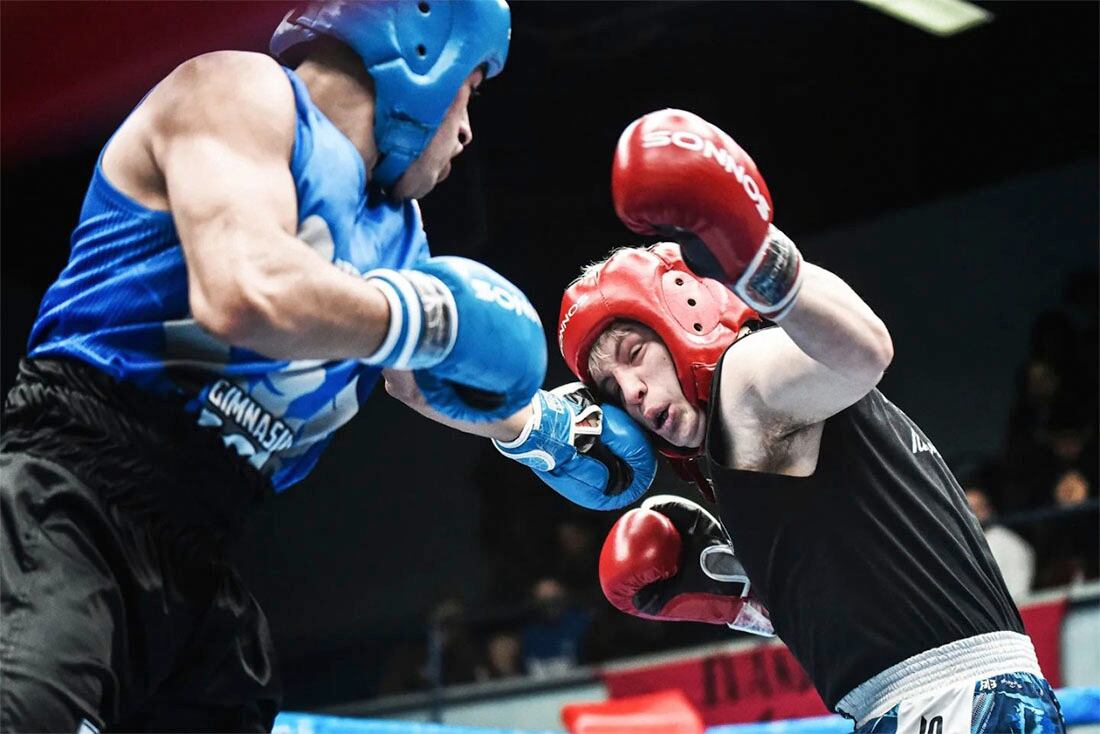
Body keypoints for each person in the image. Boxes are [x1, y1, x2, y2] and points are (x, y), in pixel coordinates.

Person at [0, 2, 555, 730]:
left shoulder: (397, 238)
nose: (467, 129)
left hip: (202, 564)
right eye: (473, 89)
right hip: (72, 501)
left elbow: (427, 378)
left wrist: (552, 430)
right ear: (425, 53)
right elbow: (244, 291)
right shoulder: (238, 93)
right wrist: (425, 319)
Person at [510, 109, 1065, 732]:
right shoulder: (746, 452)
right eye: (612, 387)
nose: (633, 392)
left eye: (637, 355)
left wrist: (758, 258)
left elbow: (865, 351)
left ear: (685, 316)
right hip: (932, 704)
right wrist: (747, 603)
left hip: (955, 703)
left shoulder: (744, 384)